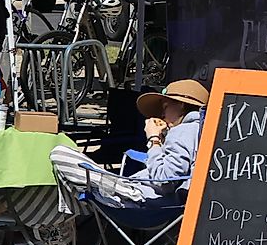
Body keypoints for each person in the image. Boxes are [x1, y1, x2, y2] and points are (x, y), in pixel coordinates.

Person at [53, 79, 209, 210]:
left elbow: (165, 180)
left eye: (165, 107)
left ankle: (64, 222)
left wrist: (153, 139)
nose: (162, 114)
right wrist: (161, 145)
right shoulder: (202, 131)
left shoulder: (183, 130)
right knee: (82, 188)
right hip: (147, 196)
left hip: (138, 196)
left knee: (60, 153)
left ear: (181, 105)